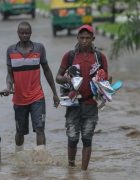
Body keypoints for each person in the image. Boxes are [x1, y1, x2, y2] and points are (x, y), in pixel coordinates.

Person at [55, 24, 108, 170]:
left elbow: (106, 79)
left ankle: (84, 172)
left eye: (87, 38)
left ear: (93, 38)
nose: (84, 40)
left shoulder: (99, 57)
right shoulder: (70, 56)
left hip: (91, 104)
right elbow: (57, 77)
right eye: (82, 37)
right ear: (77, 38)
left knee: (87, 138)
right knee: (72, 137)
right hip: (73, 103)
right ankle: (71, 168)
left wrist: (102, 81)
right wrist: (67, 79)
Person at [3, 21, 60, 152]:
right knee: (20, 132)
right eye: (22, 33)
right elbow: (10, 75)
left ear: (31, 33)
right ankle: (19, 157)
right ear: (18, 34)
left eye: (27, 33)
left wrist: (55, 94)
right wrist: (8, 86)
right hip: (19, 99)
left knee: (40, 129)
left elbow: (47, 70)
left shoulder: (39, 48)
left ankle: (41, 159)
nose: (25, 35)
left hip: (37, 97)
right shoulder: (11, 50)